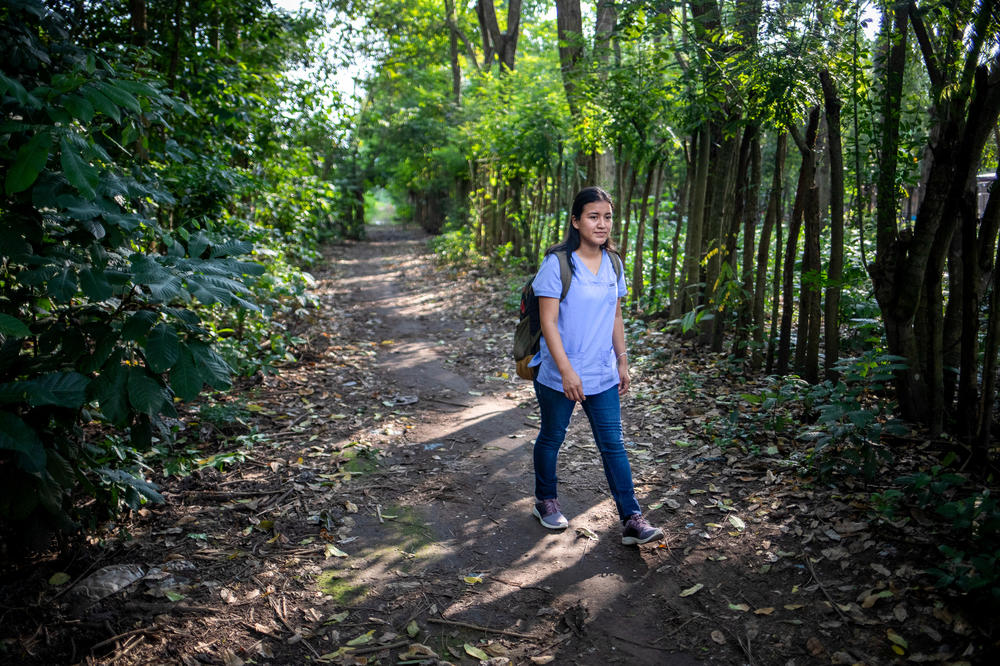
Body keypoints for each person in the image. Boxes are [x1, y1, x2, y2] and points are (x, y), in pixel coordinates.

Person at [528, 186, 664, 546]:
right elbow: (548, 323)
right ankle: (545, 500)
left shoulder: (614, 263)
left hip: (602, 373)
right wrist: (567, 370)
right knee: (552, 437)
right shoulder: (557, 264)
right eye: (593, 216)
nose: (601, 224)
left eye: (607, 217)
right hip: (560, 374)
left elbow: (615, 315)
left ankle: (632, 518)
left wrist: (622, 360)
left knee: (613, 445)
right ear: (575, 221)